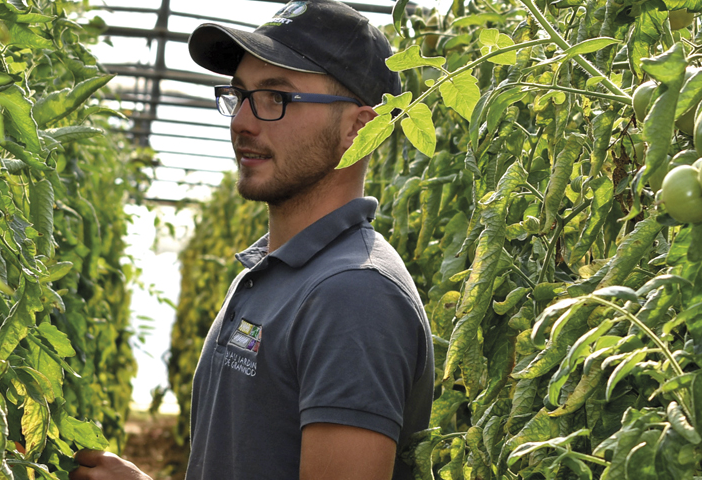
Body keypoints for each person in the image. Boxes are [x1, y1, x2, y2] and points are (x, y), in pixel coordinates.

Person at [70, 1, 433, 479]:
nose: (240, 121)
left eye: (275, 97)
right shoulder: (271, 273)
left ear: (358, 130)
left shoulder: (354, 295)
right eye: (239, 95)